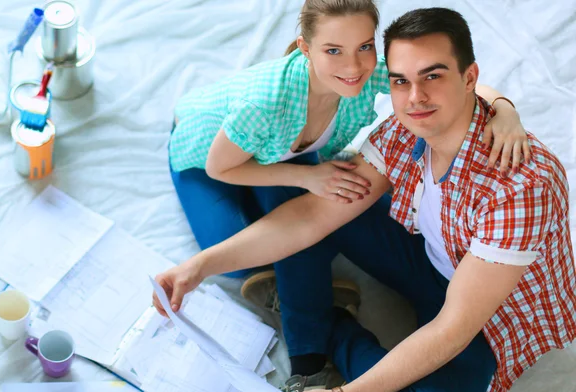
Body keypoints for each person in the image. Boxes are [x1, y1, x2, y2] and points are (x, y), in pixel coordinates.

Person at [155, 7, 576, 392]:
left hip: (488, 314)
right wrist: (199, 267)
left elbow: (453, 327)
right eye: (400, 81)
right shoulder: (402, 131)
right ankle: (310, 346)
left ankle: (330, 328)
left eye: (433, 76)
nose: (415, 97)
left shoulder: (521, 188)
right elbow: (310, 217)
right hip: (428, 258)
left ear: (469, 77)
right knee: (315, 191)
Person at [168, 0, 528, 305]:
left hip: (279, 152)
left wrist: (504, 108)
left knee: (316, 216)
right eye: (333, 51)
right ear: (305, 48)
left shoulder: (367, 74)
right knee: (238, 267)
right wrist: (306, 176)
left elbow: (448, 77)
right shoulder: (263, 104)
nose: (353, 66)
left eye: (364, 46)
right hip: (206, 160)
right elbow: (220, 168)